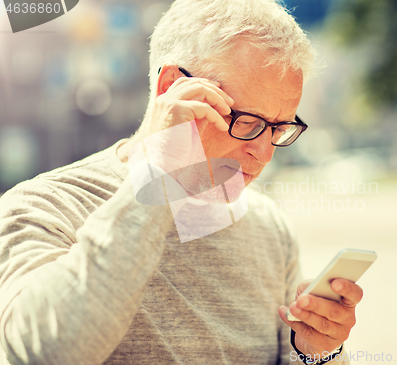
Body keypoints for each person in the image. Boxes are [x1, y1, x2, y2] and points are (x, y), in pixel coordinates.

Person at [0, 0, 363, 364]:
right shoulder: (43, 207)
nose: (265, 154)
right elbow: (44, 353)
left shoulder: (268, 227)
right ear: (173, 88)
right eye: (249, 123)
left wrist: (317, 353)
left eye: (279, 128)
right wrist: (158, 172)